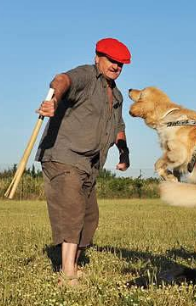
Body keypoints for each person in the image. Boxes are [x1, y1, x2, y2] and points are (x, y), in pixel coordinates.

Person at [36, 38, 132, 286]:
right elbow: (61, 80)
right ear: (98, 57)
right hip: (64, 155)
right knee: (72, 211)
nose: (116, 67)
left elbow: (118, 128)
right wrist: (54, 101)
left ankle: (74, 264)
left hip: (90, 164)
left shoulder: (117, 96)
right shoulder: (86, 76)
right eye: (112, 60)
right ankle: (67, 274)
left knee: (90, 218)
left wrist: (124, 152)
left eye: (121, 64)